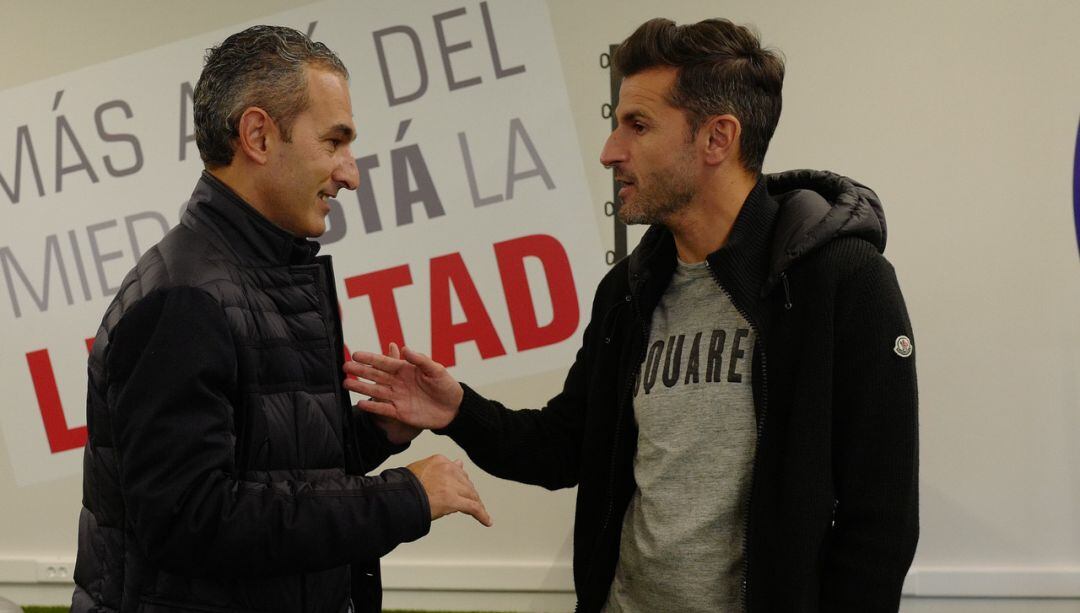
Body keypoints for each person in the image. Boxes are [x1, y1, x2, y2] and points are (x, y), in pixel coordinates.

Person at [344, 16, 918, 613]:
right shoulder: (629, 290)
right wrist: (457, 409)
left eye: (637, 126)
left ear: (717, 139)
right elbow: (564, 446)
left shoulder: (843, 282)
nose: (609, 151)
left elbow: (880, 523)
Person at [71, 25, 490, 613]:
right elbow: (192, 519)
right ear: (259, 135)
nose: (351, 172)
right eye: (334, 141)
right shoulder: (183, 300)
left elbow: (273, 469)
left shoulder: (247, 274)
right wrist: (403, 498)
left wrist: (379, 431)